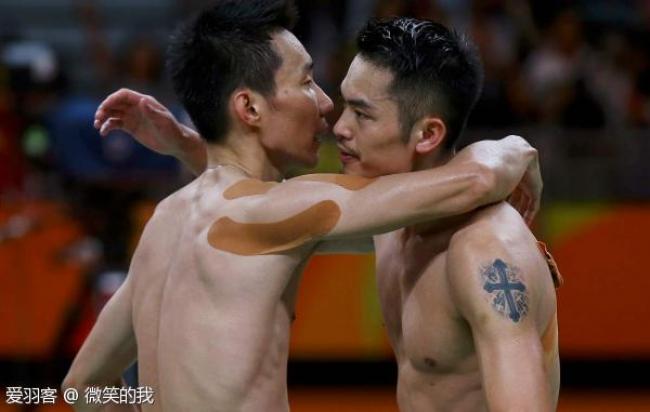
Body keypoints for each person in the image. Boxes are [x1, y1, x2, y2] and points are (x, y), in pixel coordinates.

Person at [67, 2, 543, 411]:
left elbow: (81, 388)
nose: (325, 105)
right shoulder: (280, 211)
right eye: (308, 81)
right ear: (250, 108)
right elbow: (476, 180)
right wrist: (518, 148)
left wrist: (188, 146)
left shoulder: (165, 224)